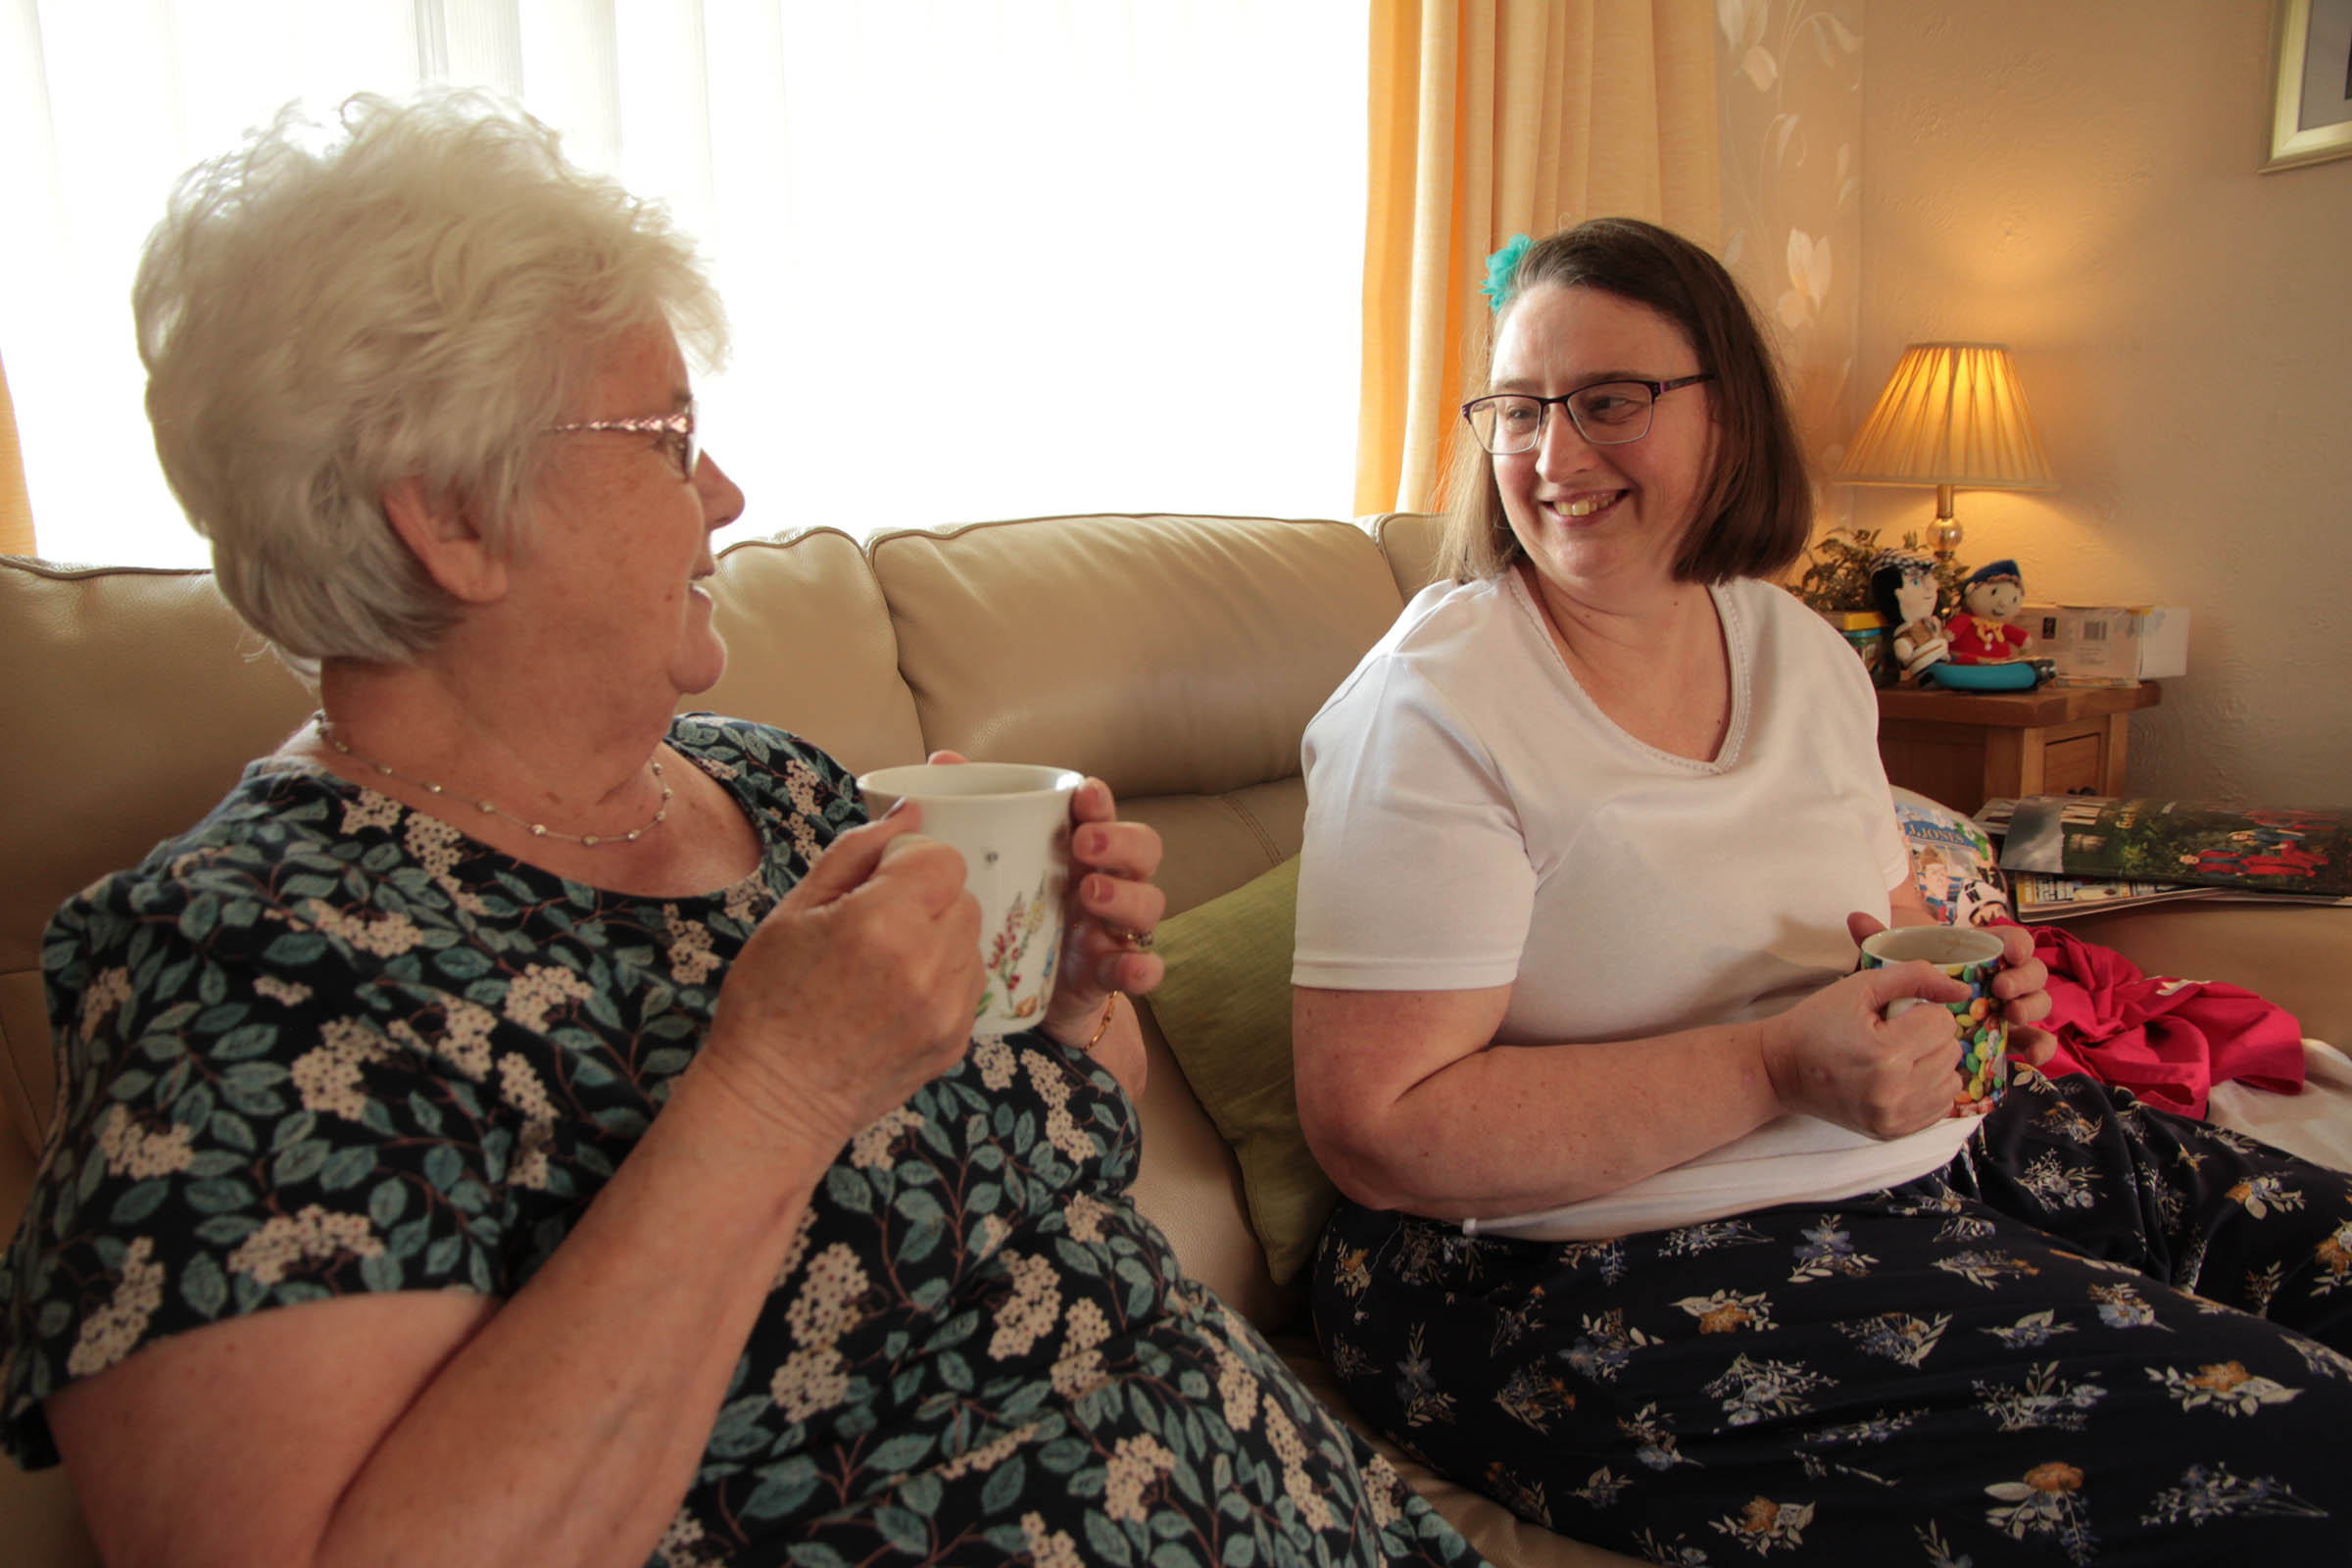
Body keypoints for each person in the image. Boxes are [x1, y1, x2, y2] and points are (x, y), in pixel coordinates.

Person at [0, 93, 1482, 1568]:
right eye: (664, 440)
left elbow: (1051, 1168)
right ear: (447, 513)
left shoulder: (773, 789)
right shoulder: (241, 965)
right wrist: (768, 1096)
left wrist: (1067, 999)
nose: (725, 494)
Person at [1291, 218, 2352, 1561]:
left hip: (1929, 1161)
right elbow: (1375, 1127)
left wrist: (1977, 978)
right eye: (1518, 410)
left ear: (1728, 416)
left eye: (1608, 403)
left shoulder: (1795, 646)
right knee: (2300, 1449)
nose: (1553, 458)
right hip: (1573, 1270)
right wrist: (1778, 1070)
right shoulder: (1435, 705)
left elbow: (1868, 909)